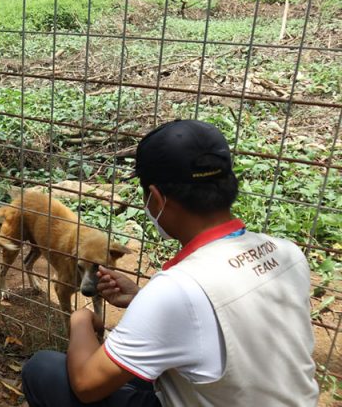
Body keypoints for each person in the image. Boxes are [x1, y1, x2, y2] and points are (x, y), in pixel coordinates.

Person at [21, 119, 319, 406]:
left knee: (43, 369)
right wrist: (141, 298)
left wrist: (81, 320)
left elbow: (87, 386)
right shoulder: (287, 252)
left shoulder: (178, 289)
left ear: (156, 199)